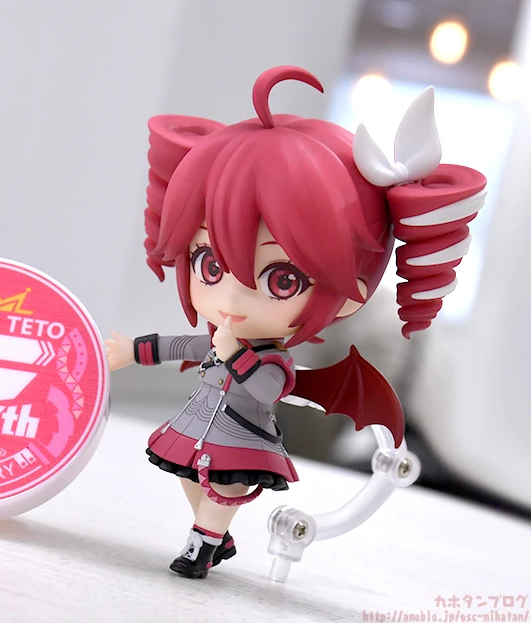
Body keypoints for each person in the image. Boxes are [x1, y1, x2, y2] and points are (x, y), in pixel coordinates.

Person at [105, 66, 487, 579]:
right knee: (188, 477)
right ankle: (215, 536)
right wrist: (133, 351)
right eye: (210, 266)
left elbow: (270, 387)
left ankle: (203, 543)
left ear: (350, 295)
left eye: (281, 279)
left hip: (241, 436)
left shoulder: (267, 354)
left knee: (220, 487)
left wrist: (234, 354)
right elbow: (186, 347)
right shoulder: (223, 335)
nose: (233, 296)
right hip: (198, 427)